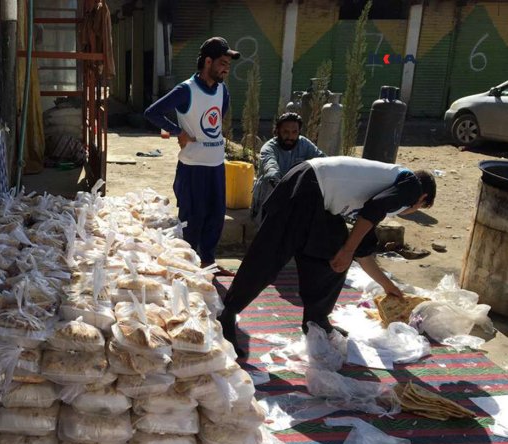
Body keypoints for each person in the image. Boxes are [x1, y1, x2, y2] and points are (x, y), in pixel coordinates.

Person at [218, 156, 436, 357]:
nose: (411, 211)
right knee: (269, 255)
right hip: (308, 184)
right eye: (419, 208)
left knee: (333, 255)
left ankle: (317, 319)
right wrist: (348, 250)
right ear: (422, 199)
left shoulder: (388, 190)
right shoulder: (411, 186)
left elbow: (363, 250)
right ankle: (228, 314)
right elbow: (373, 210)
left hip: (321, 202)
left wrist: (387, 286)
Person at [144, 37, 240, 277]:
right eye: (222, 62)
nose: (226, 68)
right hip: (192, 167)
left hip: (216, 165)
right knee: (192, 218)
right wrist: (179, 131)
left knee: (215, 217)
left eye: (228, 64)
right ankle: (186, 267)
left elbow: (219, 116)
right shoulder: (186, 90)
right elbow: (152, 112)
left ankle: (208, 263)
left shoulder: (222, 90)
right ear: (208, 61)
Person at [252, 112, 325, 222]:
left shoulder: (304, 144)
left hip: (295, 193)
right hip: (272, 192)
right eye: (286, 132)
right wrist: (285, 190)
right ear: (277, 131)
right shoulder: (268, 148)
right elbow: (271, 169)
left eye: (294, 132)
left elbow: (322, 160)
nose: (290, 137)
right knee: (270, 185)